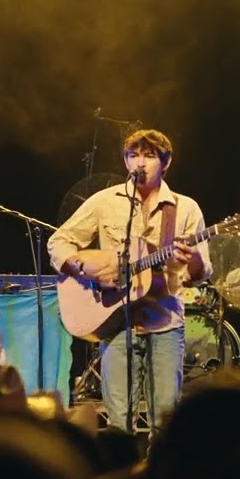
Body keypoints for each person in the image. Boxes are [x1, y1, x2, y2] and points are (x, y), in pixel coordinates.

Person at [48, 129, 212, 433]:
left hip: (164, 319)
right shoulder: (105, 202)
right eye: (133, 155)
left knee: (166, 422)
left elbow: (201, 273)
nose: (140, 162)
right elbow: (59, 243)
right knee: (118, 422)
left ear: (166, 162)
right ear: (125, 161)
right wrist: (87, 270)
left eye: (149, 156)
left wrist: (194, 260)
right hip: (115, 319)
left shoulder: (184, 207)